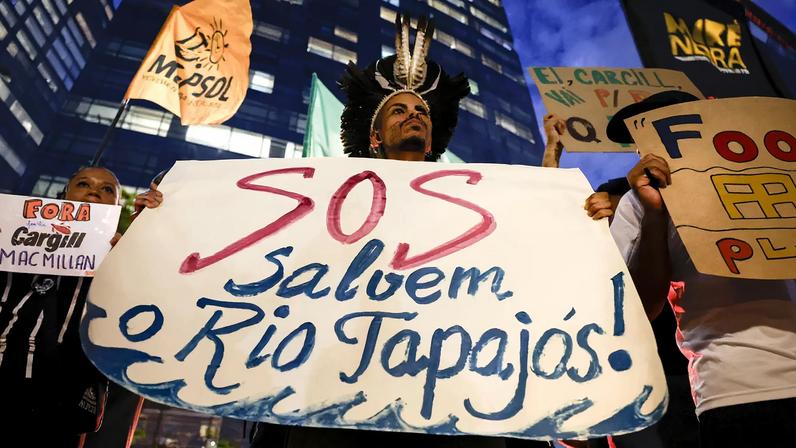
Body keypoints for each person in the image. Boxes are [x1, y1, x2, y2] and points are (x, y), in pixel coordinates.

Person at [250, 13, 546, 448]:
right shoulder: (336, 202)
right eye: (399, 110)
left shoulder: (472, 207)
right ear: (375, 136)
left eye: (421, 110)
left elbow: (521, 264)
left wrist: (560, 199)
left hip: (451, 385)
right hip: (346, 386)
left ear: (430, 139)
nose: (414, 115)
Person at [605, 91, 796, 448]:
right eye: (640, 138)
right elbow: (641, 308)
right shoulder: (638, 204)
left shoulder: (776, 176)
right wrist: (655, 214)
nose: (644, 147)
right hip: (737, 389)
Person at [0, 166, 162, 447]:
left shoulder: (119, 253)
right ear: (64, 196)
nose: (94, 191)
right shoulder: (11, 236)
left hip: (63, 397)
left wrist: (144, 229)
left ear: (115, 207)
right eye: (83, 184)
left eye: (107, 189)